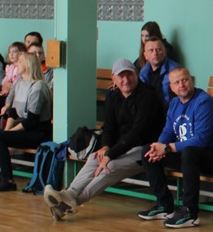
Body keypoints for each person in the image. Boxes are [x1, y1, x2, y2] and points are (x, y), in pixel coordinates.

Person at [44, 58, 165, 221]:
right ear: (113, 78)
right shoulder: (114, 96)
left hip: (147, 150)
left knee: (110, 166)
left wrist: (111, 154)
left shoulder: (148, 96)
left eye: (129, 75)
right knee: (95, 157)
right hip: (123, 147)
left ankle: (72, 202)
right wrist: (105, 147)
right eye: (121, 76)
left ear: (136, 74)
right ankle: (70, 194)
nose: (126, 80)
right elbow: (108, 127)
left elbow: (138, 133)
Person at [138, 67, 213, 228]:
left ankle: (190, 213)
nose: (181, 85)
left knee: (190, 152)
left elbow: (200, 140)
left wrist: (167, 148)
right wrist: (158, 147)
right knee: (148, 151)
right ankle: (164, 206)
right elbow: (168, 132)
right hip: (191, 157)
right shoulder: (174, 103)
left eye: (185, 80)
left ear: (192, 81)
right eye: (176, 82)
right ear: (171, 87)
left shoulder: (204, 102)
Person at [0, 52, 53, 192]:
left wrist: (9, 132)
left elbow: (32, 120)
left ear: (28, 65)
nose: (16, 64)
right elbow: (13, 110)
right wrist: (7, 130)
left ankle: (8, 180)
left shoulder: (38, 87)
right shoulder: (19, 82)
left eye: (19, 61)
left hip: (38, 131)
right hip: (24, 127)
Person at [138, 36, 181, 106]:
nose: (155, 53)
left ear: (165, 52)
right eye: (151, 50)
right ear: (145, 55)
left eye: (158, 49)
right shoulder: (143, 73)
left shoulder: (175, 70)